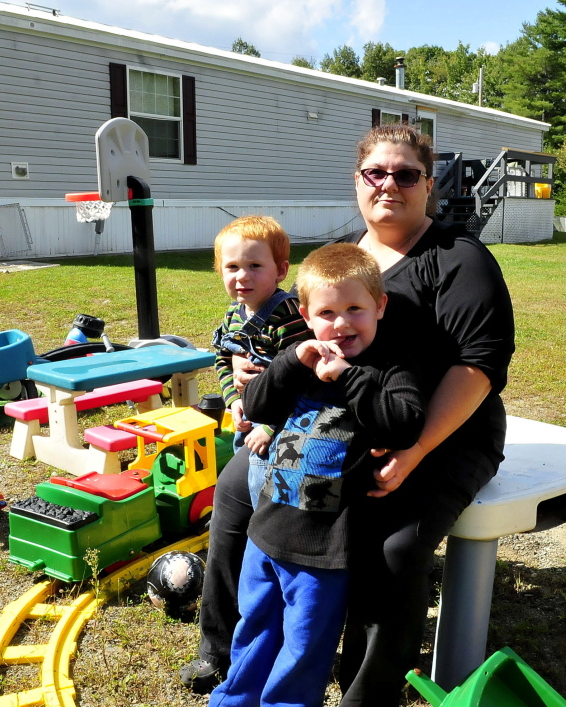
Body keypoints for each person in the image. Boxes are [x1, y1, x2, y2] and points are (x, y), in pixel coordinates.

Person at [181, 124, 515, 706]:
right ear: (358, 181)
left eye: (406, 173)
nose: (390, 184)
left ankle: (368, 688)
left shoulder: (459, 258)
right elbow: (293, 330)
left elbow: (478, 367)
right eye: (375, 173)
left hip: (441, 428)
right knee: (235, 489)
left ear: (428, 184)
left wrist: (414, 452)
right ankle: (223, 647)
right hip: (334, 422)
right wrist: (254, 375)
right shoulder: (345, 259)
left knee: (392, 546)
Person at [209, 243, 425, 707]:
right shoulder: (300, 364)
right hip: (265, 530)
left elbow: (404, 422)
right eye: (327, 312)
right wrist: (290, 360)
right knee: (254, 627)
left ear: (379, 306)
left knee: (304, 651)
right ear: (305, 314)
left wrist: (347, 375)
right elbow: (257, 406)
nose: (342, 324)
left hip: (324, 551)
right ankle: (234, 699)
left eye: (355, 309)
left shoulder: (388, 370)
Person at [211, 215, 311, 455]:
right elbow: (223, 357)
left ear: (281, 270)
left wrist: (269, 427)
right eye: (232, 267)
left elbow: (304, 379)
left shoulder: (287, 315)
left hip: (286, 421)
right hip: (248, 413)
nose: (243, 276)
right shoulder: (234, 313)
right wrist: (234, 400)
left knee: (269, 480)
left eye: (254, 265)